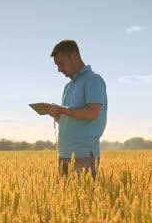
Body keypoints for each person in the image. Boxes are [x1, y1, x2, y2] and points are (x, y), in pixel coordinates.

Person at [44, 40, 107, 180]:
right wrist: (56, 114)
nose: (59, 69)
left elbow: (92, 113)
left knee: (86, 198)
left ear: (74, 56)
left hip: (82, 154)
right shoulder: (68, 86)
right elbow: (71, 119)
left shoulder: (93, 80)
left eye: (61, 63)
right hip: (64, 153)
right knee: (64, 199)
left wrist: (61, 110)